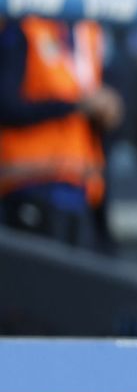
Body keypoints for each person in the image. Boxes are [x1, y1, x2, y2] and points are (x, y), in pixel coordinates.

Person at [0, 15, 121, 250]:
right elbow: (6, 105)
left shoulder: (89, 31)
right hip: (30, 184)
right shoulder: (23, 28)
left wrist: (107, 109)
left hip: (81, 187)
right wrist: (75, 105)